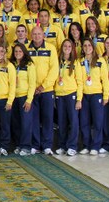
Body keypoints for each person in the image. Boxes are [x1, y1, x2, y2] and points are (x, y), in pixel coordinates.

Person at [28, 26, 58, 155]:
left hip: (46, 90)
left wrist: (43, 86)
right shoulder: (26, 49)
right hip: (31, 91)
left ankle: (47, 145)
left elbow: (54, 69)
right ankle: (35, 145)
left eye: (39, 34)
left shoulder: (51, 48)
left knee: (47, 118)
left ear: (43, 35)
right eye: (34, 34)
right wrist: (32, 87)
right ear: (31, 36)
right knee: (33, 119)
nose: (37, 36)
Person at [77, 38, 109, 155]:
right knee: (84, 122)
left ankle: (96, 146)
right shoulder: (79, 61)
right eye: (85, 46)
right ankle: (86, 145)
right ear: (82, 48)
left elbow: (105, 79)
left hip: (96, 94)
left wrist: (106, 96)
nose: (87, 48)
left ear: (93, 47)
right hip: (85, 95)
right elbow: (79, 81)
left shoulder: (100, 61)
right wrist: (79, 98)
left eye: (89, 45)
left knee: (98, 122)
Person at [55, 39, 81, 156]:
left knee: (73, 121)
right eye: (65, 46)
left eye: (69, 46)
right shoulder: (57, 61)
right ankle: (62, 145)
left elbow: (80, 82)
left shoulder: (76, 63)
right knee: (62, 121)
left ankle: (72, 146)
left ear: (72, 48)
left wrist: (79, 99)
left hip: (71, 94)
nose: (67, 48)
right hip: (59, 95)